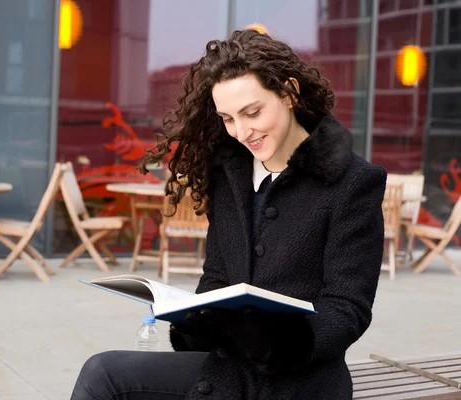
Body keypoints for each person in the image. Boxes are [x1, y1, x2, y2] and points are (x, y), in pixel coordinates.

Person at [70, 29, 386, 400]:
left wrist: (278, 343)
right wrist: (194, 319)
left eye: (252, 112)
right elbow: (216, 276)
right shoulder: (230, 176)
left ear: (288, 93)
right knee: (102, 372)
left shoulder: (353, 182)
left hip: (300, 379)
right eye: (228, 118)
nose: (241, 131)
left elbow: (348, 308)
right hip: (226, 366)